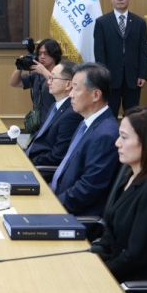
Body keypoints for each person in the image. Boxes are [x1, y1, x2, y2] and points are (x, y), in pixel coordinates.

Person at [91, 106, 147, 293]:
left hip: (133, 287)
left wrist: (99, 276)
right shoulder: (129, 176)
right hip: (117, 271)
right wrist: (88, 257)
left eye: (124, 137)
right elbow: (110, 236)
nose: (117, 143)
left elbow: (134, 257)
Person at [51, 63, 120, 216]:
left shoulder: (105, 135)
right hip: (58, 196)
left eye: (76, 88)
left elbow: (87, 190)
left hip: (73, 215)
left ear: (96, 95)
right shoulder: (86, 122)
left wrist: (51, 204)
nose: (70, 94)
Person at [94, 0, 147, 118]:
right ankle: (110, 138)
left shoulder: (139, 22)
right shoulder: (102, 22)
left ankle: (132, 138)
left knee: (132, 113)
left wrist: (142, 74)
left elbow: (143, 50)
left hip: (133, 77)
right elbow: (99, 52)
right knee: (109, 112)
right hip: (110, 77)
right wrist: (103, 75)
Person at [26, 61, 83, 175]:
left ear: (68, 85)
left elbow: (57, 156)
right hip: (32, 156)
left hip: (41, 167)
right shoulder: (55, 106)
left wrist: (28, 162)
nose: (49, 82)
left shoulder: (71, 115)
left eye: (53, 78)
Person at [9, 38, 61, 130]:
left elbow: (59, 85)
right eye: (39, 54)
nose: (42, 57)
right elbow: (14, 83)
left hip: (54, 123)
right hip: (38, 124)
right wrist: (19, 66)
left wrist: (44, 71)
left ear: (55, 55)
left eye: (46, 53)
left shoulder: (62, 73)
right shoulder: (37, 74)